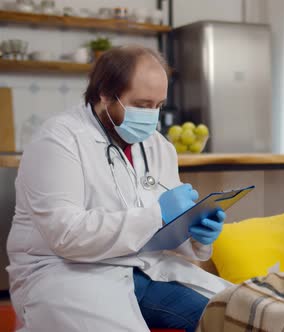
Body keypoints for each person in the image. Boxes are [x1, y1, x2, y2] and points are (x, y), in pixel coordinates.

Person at [6, 45, 231, 331]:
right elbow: (65, 235)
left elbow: (164, 232)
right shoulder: (58, 141)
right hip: (67, 272)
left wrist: (196, 234)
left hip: (145, 267)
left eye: (159, 105)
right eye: (142, 104)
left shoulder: (158, 147)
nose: (152, 115)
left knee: (231, 316)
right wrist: (156, 215)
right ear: (105, 94)